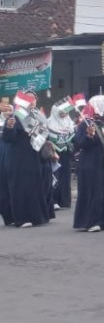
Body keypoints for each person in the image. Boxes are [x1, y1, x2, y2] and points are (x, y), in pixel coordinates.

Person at [71, 97, 104, 232]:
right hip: (91, 164)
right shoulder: (86, 123)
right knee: (93, 192)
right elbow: (79, 144)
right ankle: (92, 221)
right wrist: (89, 136)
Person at [1, 94, 50, 228]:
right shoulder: (16, 116)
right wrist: (9, 127)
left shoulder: (39, 116)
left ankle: (37, 216)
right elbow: (8, 138)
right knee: (20, 187)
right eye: (28, 98)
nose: (31, 101)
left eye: (33, 98)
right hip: (18, 158)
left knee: (34, 187)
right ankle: (21, 218)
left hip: (34, 156)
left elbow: (45, 133)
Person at [47, 106, 75, 211]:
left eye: (66, 110)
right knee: (55, 176)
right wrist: (53, 151)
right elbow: (47, 138)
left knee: (65, 176)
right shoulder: (49, 122)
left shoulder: (69, 122)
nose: (64, 112)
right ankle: (53, 201)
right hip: (54, 152)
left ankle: (64, 201)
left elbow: (73, 137)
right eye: (62, 110)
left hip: (66, 152)